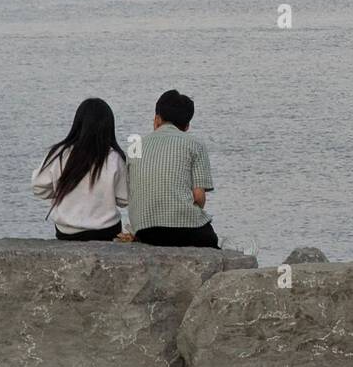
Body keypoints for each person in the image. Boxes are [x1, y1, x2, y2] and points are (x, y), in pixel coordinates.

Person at [124, 89, 218, 248]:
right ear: (187, 126)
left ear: (157, 118)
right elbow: (199, 197)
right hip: (186, 229)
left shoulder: (135, 146)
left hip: (144, 230)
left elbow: (131, 193)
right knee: (211, 240)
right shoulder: (195, 144)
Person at [32, 98, 128, 241]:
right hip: (106, 231)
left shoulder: (59, 154)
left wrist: (61, 191)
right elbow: (124, 199)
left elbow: (38, 187)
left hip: (67, 232)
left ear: (77, 124)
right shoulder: (114, 158)